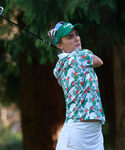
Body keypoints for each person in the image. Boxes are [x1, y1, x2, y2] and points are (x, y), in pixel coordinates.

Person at [48, 21, 106, 150]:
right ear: (59, 45)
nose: (76, 39)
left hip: (90, 132)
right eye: (70, 37)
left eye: (76, 34)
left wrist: (67, 52)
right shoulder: (81, 55)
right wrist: (74, 54)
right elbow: (98, 61)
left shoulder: (59, 66)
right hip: (80, 130)